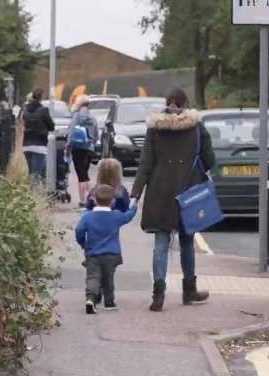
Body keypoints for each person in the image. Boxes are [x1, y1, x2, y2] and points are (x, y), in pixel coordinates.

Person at [132, 88, 214, 312]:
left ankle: (158, 295)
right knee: (187, 241)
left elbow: (145, 163)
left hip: (160, 192)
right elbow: (210, 160)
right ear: (186, 104)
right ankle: (189, 291)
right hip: (189, 191)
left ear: (166, 103)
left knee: (161, 243)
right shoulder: (196, 127)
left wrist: (135, 193)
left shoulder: (155, 129)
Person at [75, 185, 139, 314]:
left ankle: (91, 299)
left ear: (93, 199)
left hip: (93, 253)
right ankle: (109, 301)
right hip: (111, 253)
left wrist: (84, 244)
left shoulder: (88, 216)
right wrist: (134, 205)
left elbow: (79, 231)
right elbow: (129, 216)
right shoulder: (116, 216)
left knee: (92, 277)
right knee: (108, 278)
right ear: (113, 201)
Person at [68, 95, 100, 207]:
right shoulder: (93, 117)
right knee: (85, 174)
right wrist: (93, 143)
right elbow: (96, 134)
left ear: (79, 104)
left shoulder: (76, 116)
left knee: (81, 175)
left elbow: (71, 132)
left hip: (77, 148)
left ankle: (83, 201)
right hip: (89, 148)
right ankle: (91, 198)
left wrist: (68, 146)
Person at [22, 88, 55, 181]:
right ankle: (34, 193)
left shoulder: (25, 111)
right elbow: (51, 126)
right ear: (41, 97)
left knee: (33, 172)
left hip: (26, 145)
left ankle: (40, 192)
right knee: (35, 176)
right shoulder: (43, 110)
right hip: (39, 145)